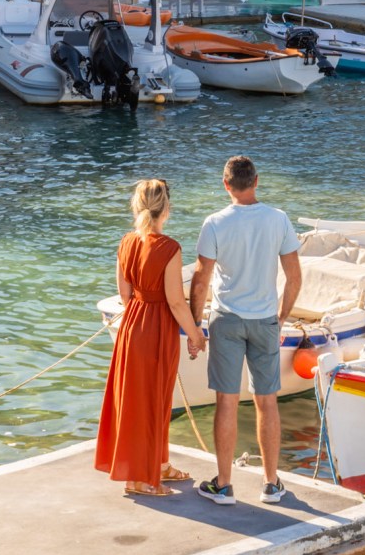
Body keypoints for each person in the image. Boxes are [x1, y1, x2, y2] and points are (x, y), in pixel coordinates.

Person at [190, 156, 301, 506]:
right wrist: (281, 317)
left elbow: (200, 279)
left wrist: (195, 324)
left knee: (226, 401)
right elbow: (295, 278)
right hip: (266, 319)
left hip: (226, 320)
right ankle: (271, 484)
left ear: (226, 185)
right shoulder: (278, 219)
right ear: (257, 181)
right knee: (266, 402)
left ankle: (224, 486)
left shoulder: (214, 223)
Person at [95, 179, 207, 496]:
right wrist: (196, 333)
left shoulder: (127, 242)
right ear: (166, 209)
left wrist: (138, 320)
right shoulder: (169, 248)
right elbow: (174, 301)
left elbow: (125, 293)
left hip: (133, 325)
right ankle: (138, 479)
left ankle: (158, 465)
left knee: (145, 399)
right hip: (157, 327)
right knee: (151, 401)